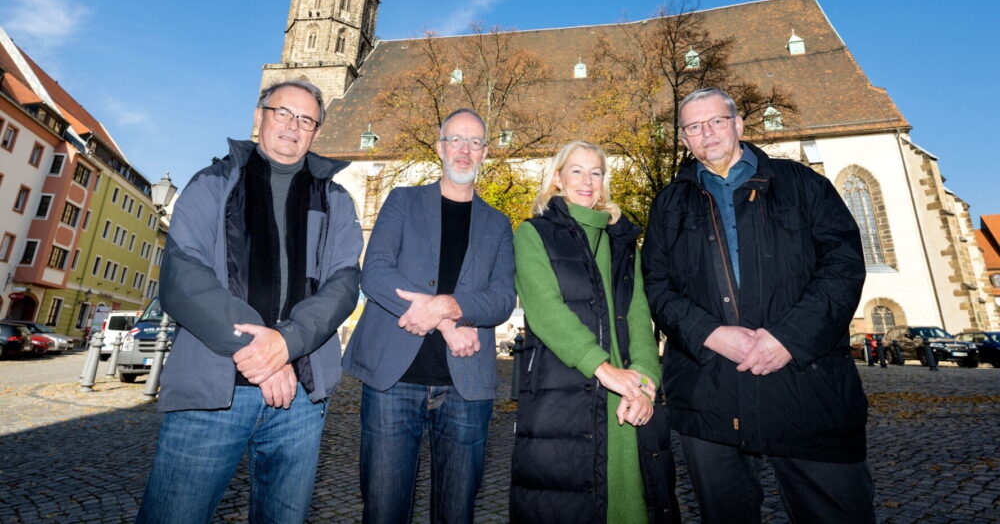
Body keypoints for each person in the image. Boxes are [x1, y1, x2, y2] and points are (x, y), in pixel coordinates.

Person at [642, 87, 875, 524]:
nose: (707, 133)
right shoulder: (670, 204)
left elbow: (842, 266)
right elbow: (657, 286)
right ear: (684, 139)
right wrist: (710, 334)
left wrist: (789, 338)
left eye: (715, 121)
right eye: (694, 126)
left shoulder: (802, 184)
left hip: (807, 389)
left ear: (738, 124)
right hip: (710, 392)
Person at [136, 80, 363, 524]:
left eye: (306, 120)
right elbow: (183, 278)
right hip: (212, 391)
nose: (293, 126)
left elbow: (343, 283)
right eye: (283, 113)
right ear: (259, 115)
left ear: (316, 131)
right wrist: (266, 351)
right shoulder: (212, 183)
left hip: (300, 397)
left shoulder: (335, 199)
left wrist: (288, 343)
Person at [343, 107, 516, 524]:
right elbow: (376, 273)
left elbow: (502, 298)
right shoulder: (403, 200)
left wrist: (450, 308)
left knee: (456, 513)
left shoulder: (498, 224)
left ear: (485, 153)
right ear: (440, 147)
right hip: (393, 381)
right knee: (384, 510)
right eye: (455, 140)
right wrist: (443, 322)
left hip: (465, 386)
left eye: (474, 143)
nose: (464, 150)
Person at [509, 141, 678, 524]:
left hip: (627, 397)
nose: (587, 181)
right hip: (565, 394)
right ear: (557, 178)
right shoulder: (533, 234)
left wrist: (646, 384)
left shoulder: (621, 241)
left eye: (596, 172)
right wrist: (607, 371)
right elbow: (546, 311)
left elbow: (639, 316)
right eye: (576, 170)